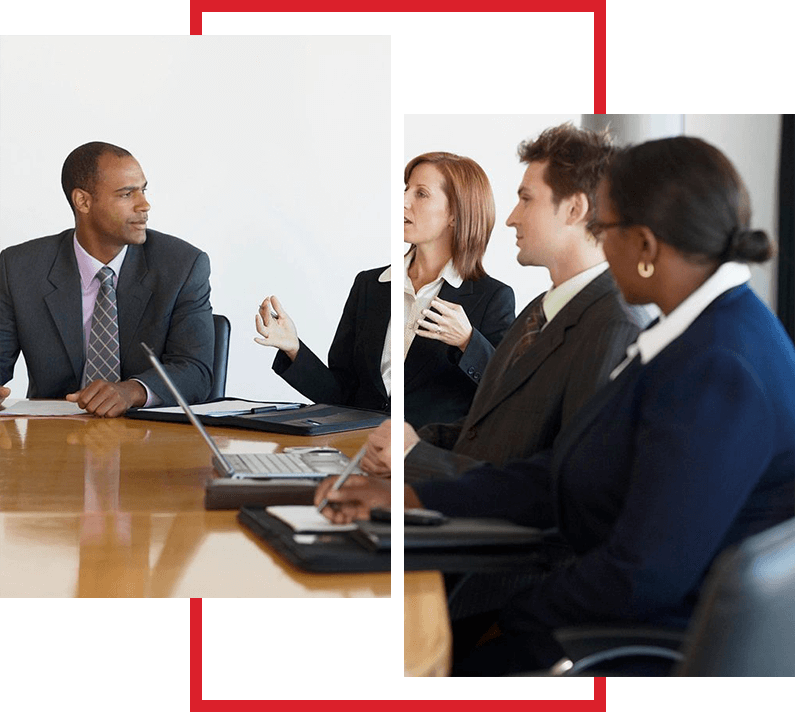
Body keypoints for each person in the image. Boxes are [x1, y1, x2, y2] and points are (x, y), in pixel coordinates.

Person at [404, 124, 648, 484]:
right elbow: (491, 429)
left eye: (526, 199)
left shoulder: (614, 324)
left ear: (574, 209)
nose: (510, 217)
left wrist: (418, 460)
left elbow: (565, 481)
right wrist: (412, 445)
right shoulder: (540, 310)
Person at [0, 141, 214, 417]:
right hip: (53, 438)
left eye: (143, 190)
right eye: (127, 194)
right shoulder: (20, 268)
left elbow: (197, 371)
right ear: (83, 201)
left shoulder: (182, 265)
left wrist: (132, 391)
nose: (144, 205)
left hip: (151, 439)